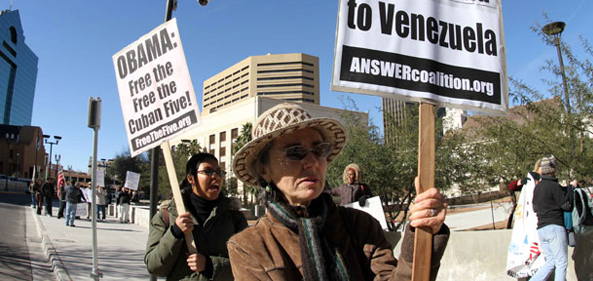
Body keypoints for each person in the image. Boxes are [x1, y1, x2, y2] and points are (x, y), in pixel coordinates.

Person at [228, 102, 449, 280]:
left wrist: (422, 232)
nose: (312, 161)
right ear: (264, 169)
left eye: (319, 150)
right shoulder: (249, 247)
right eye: (295, 152)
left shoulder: (360, 225)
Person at [145, 152, 248, 281]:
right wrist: (175, 233)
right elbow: (154, 267)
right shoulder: (166, 217)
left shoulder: (234, 218)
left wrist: (210, 265)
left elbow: (249, 264)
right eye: (208, 171)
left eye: (218, 172)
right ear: (191, 178)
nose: (215, 177)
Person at [529, 155, 576, 281]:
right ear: (553, 170)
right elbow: (567, 206)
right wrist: (571, 189)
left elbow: (535, 208)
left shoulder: (538, 187)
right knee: (561, 263)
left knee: (551, 262)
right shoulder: (554, 186)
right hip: (555, 228)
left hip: (541, 229)